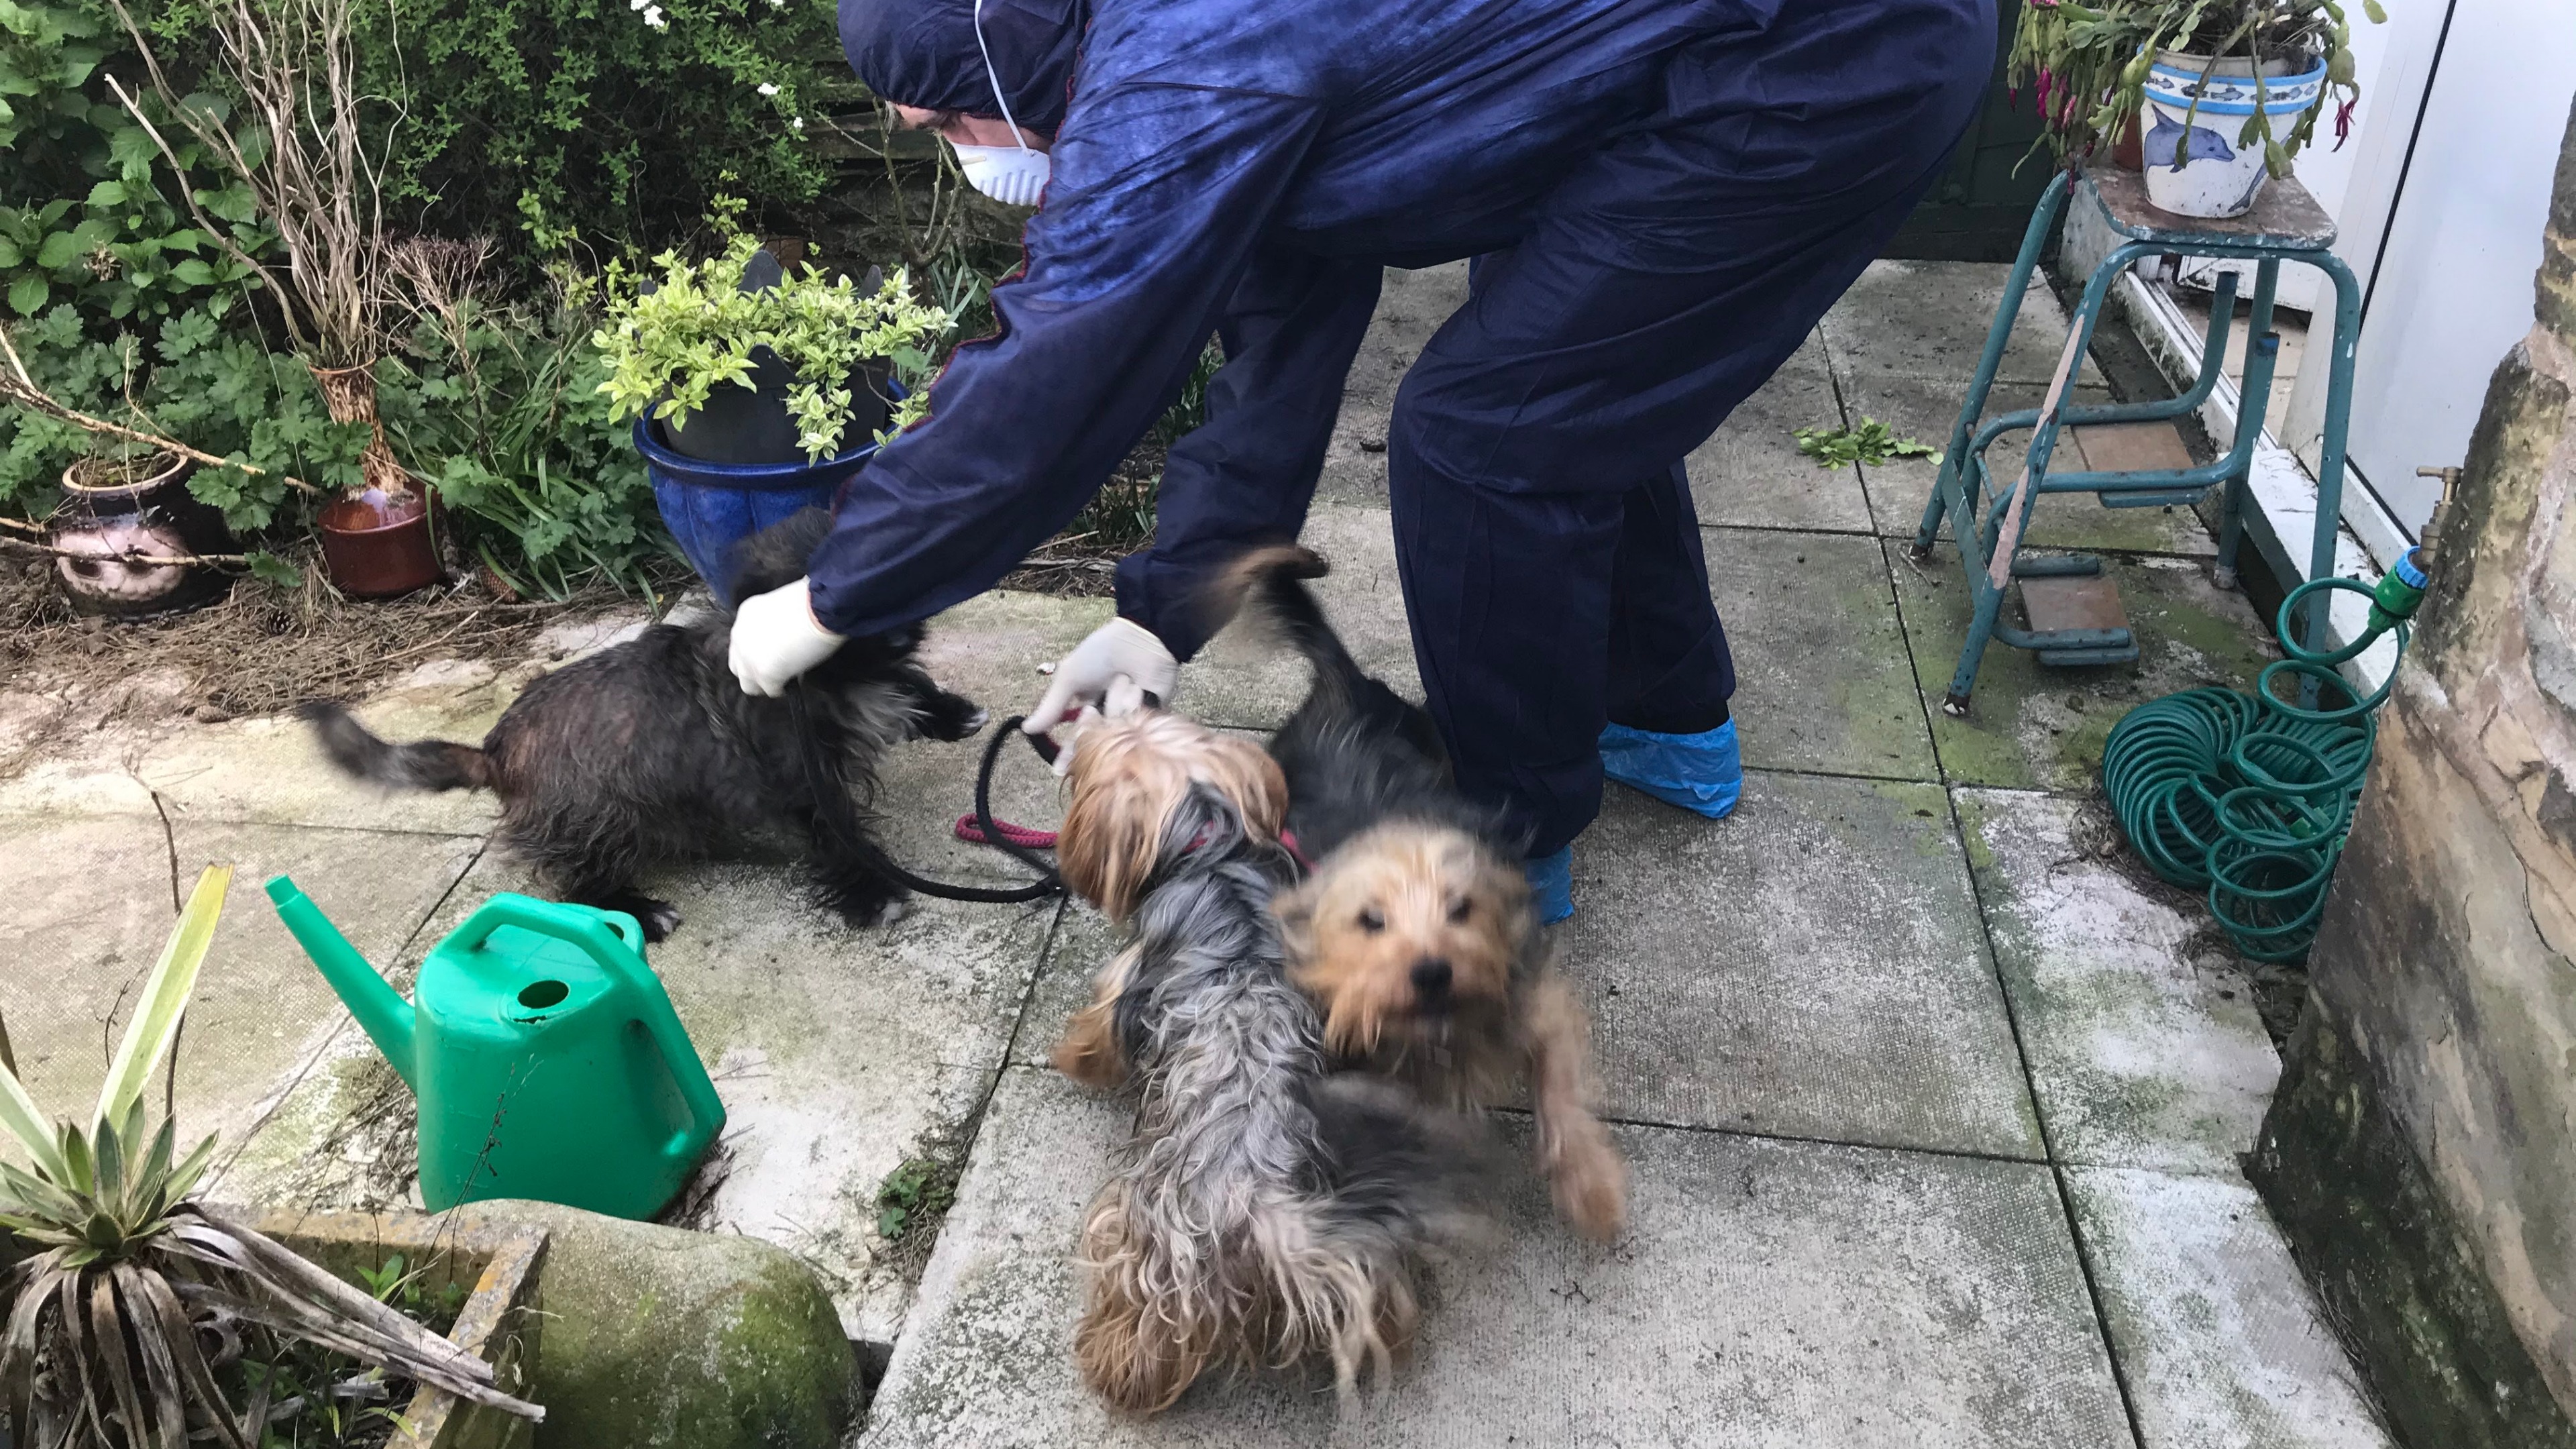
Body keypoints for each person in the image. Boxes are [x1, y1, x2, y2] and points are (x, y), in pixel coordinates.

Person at [727, 0, 1996, 920]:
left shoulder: (1182, 65)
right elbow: (1279, 336)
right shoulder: (1170, 57)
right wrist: (1162, 615)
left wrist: (843, 587)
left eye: (942, 108)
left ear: (1011, 44)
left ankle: (1507, 840)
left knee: (1486, 435)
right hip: (1734, 54)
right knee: (1570, 385)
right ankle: (1667, 725)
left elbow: (1057, 368)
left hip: (1825, 59)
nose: (929, 132)